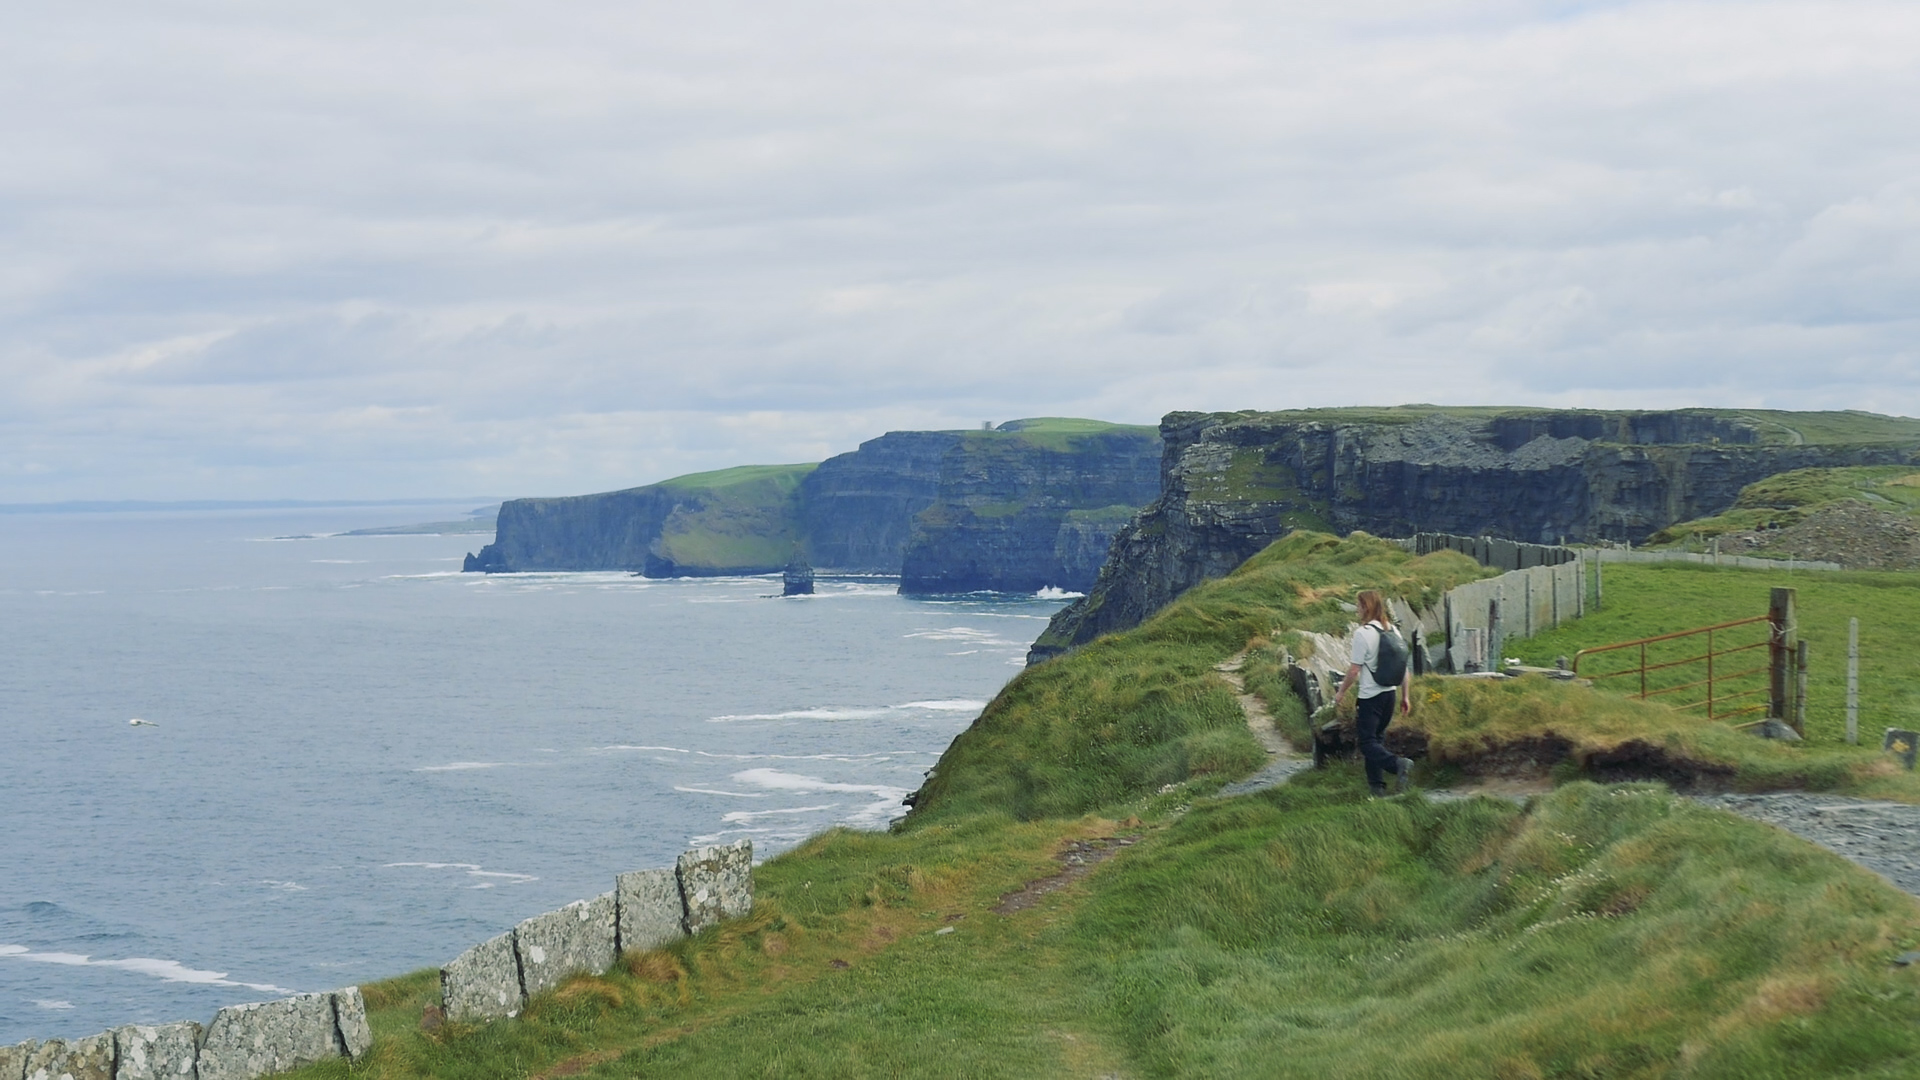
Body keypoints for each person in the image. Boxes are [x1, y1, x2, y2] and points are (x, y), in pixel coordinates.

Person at [1333, 590, 1414, 797]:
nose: (1356, 610)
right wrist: (1405, 696)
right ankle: (1376, 788)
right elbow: (1403, 668)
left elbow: (1354, 670)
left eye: (1358, 606)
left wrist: (1341, 692)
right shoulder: (1393, 631)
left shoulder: (1363, 633)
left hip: (1371, 697)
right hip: (1390, 695)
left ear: (1366, 607)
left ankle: (1398, 765)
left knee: (1367, 743)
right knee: (1376, 741)